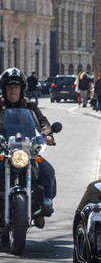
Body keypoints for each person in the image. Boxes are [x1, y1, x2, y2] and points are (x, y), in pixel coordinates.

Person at [0, 68, 56, 217]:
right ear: (4, 89)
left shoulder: (29, 105)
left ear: (21, 89)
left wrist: (47, 134)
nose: (13, 90)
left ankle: (45, 202)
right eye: (9, 87)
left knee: (47, 170)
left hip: (26, 149)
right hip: (3, 150)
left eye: (16, 87)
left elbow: (43, 122)